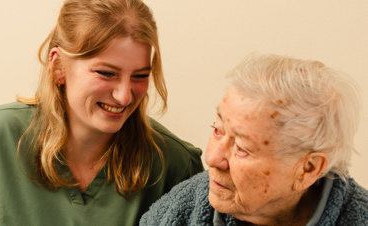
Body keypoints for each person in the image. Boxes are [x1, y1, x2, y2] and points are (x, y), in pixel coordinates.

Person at [0, 0, 204, 225]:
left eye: (140, 76)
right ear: (58, 66)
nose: (125, 96)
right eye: (107, 73)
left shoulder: (175, 164)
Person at [140, 54, 368, 225]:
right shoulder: (178, 212)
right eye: (217, 130)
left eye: (241, 148)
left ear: (307, 169)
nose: (211, 158)